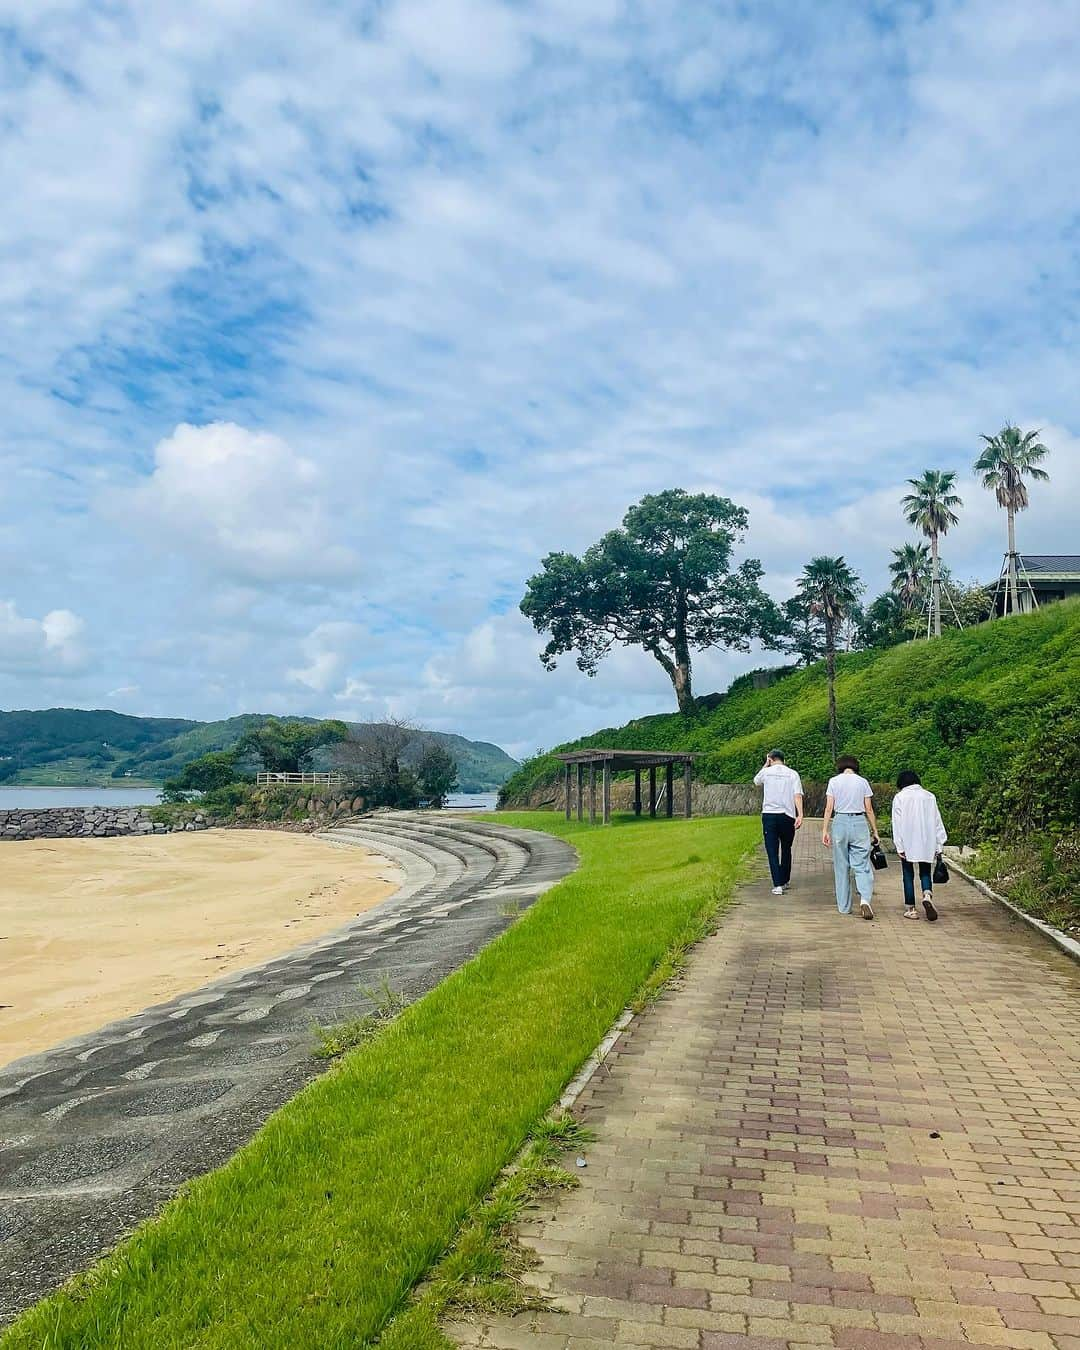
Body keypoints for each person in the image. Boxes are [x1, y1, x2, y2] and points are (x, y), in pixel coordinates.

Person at [822, 754, 880, 919]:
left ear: (840, 766)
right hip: (859, 822)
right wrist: (874, 830)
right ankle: (865, 900)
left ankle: (844, 907)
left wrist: (825, 830)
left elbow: (829, 808)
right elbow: (868, 808)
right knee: (862, 865)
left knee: (841, 866)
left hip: (840, 821)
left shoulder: (834, 781)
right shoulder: (862, 782)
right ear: (856, 767)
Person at [891, 769, 947, 921]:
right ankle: (927, 894)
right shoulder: (929, 796)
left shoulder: (900, 797)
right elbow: (937, 820)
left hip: (908, 840)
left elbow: (896, 823)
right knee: (925, 871)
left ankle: (911, 909)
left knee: (908, 874)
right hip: (926, 840)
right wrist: (939, 844)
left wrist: (899, 845)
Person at [753, 750, 804, 895]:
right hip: (787, 815)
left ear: (770, 759)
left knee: (772, 850)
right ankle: (785, 879)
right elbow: (797, 795)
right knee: (786, 848)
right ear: (784, 759)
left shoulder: (766, 772)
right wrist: (800, 814)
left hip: (769, 815)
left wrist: (765, 765)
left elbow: (756, 781)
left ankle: (778, 884)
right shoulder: (793, 773)